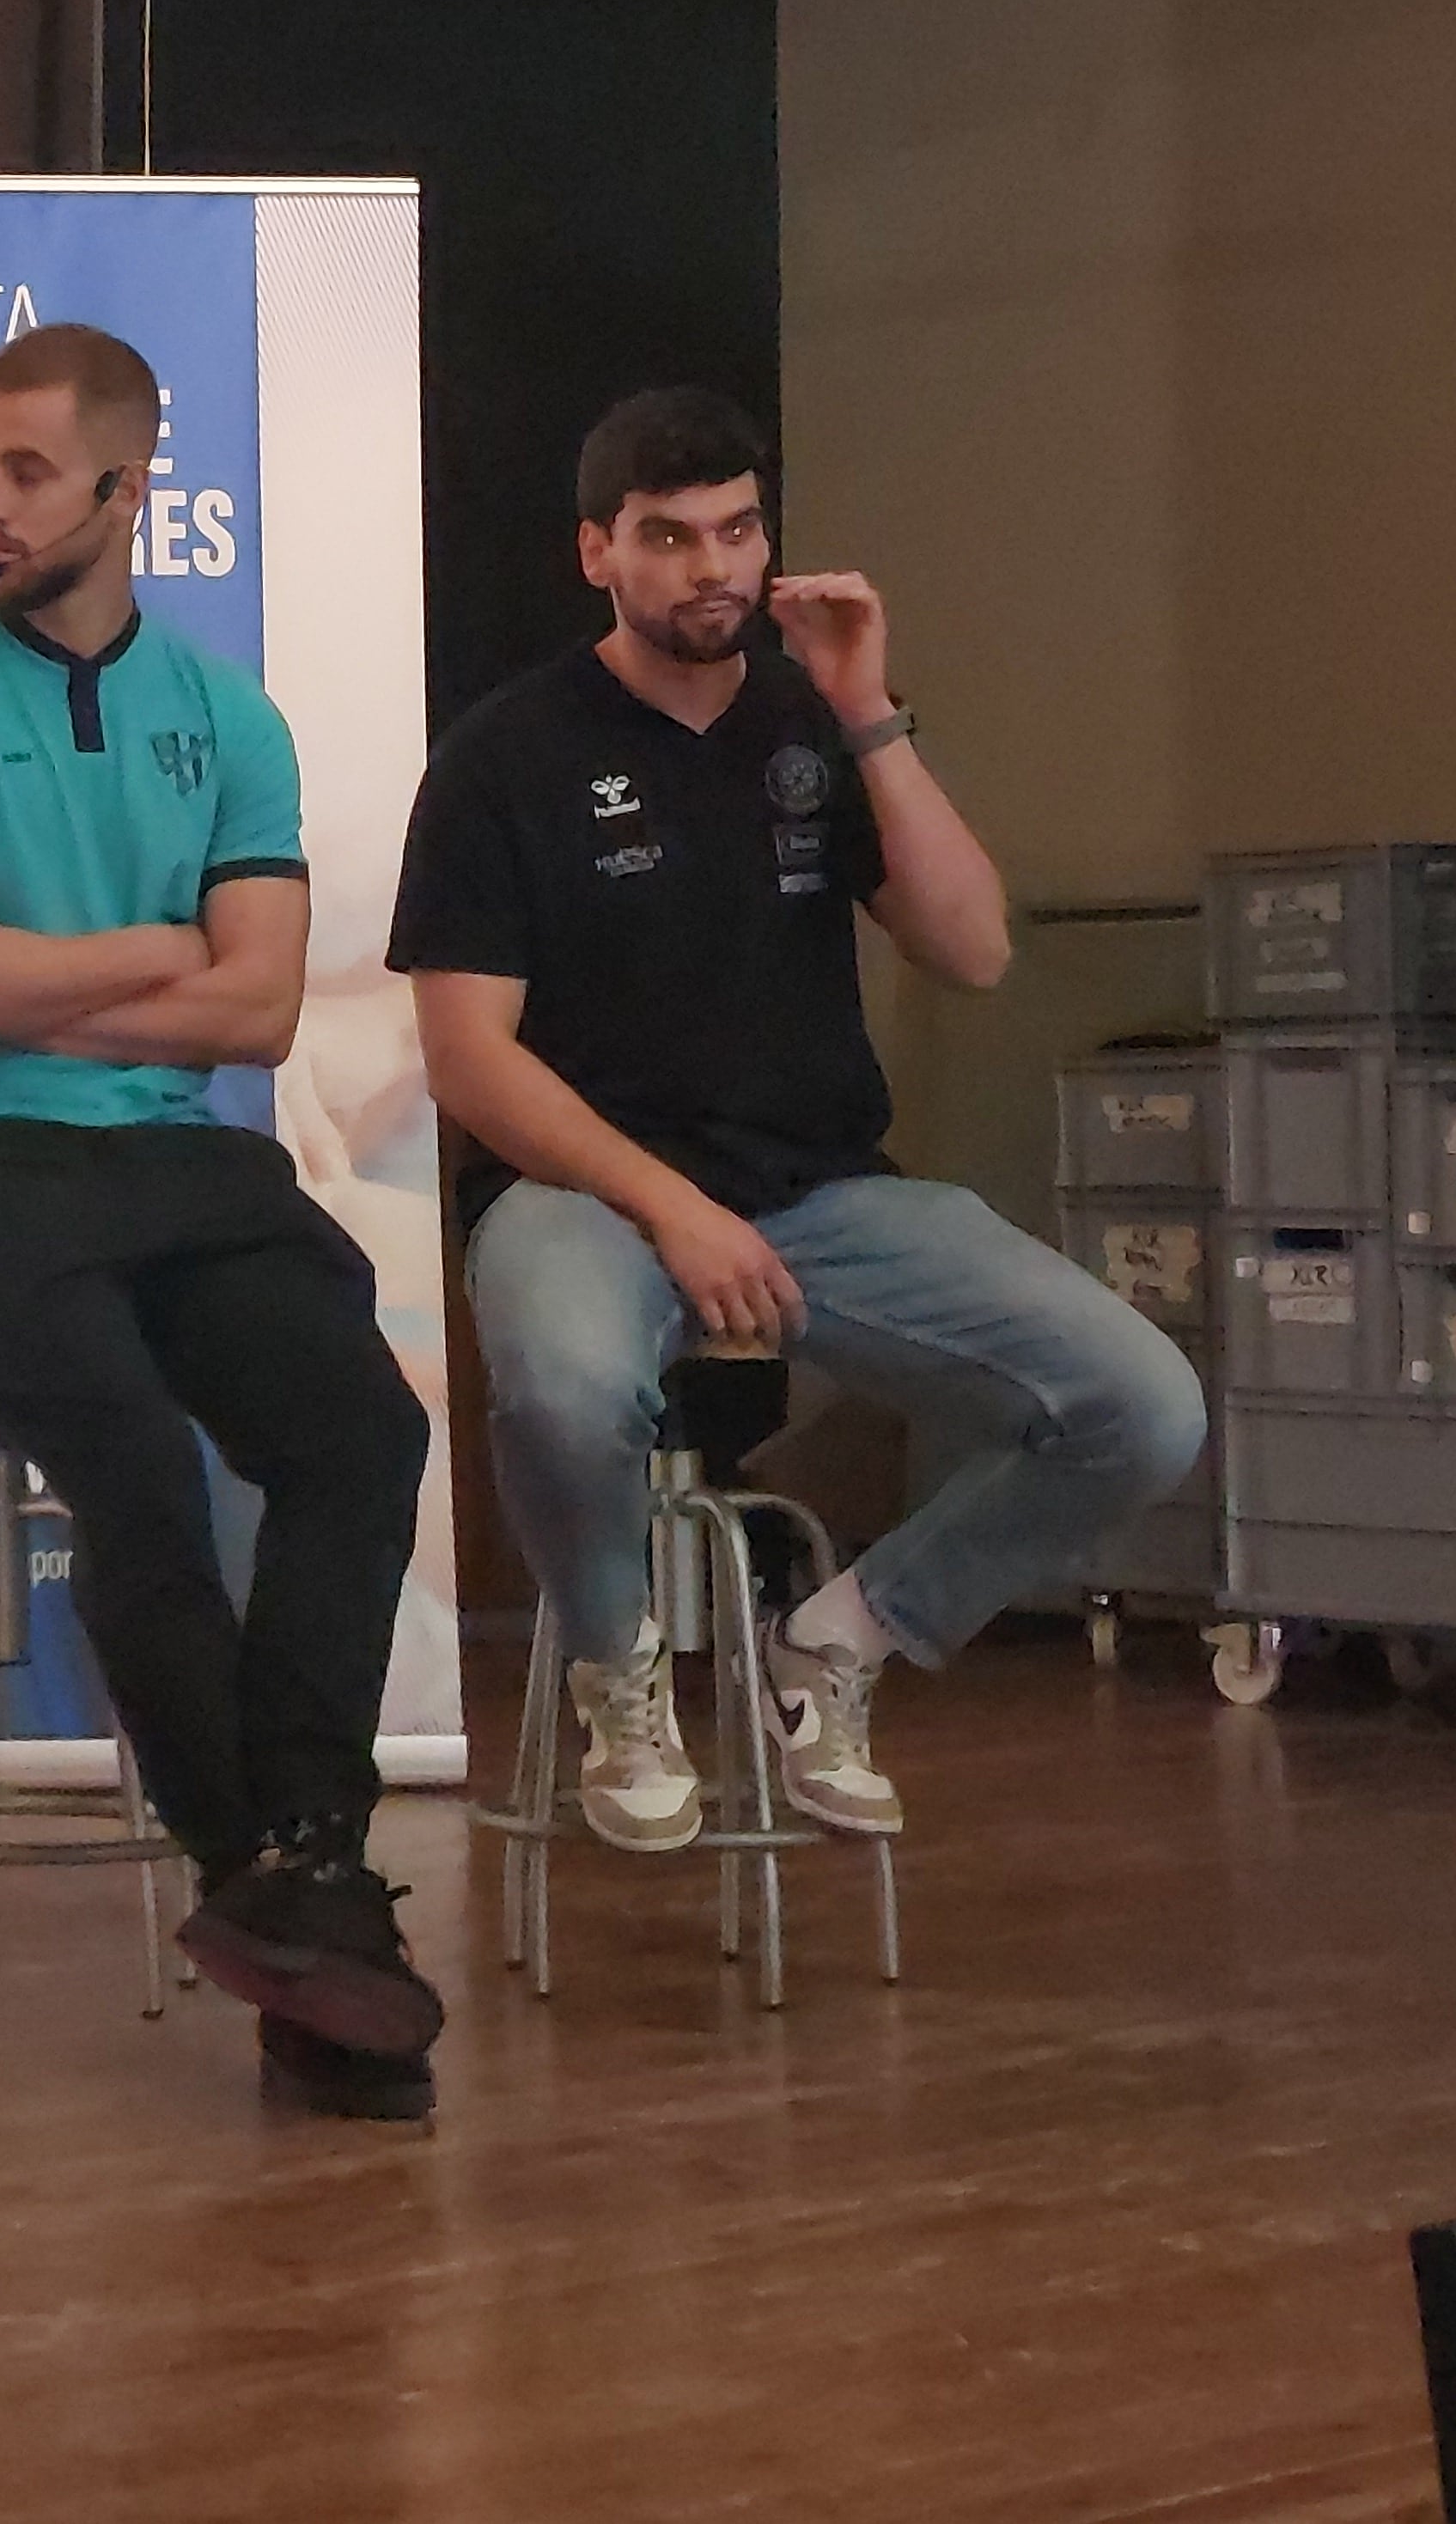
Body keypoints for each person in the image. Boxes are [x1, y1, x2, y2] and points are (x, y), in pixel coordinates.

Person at [387, 386, 1205, 1852]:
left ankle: (840, 1642)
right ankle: (616, 1668)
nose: (712, 569)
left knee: (1144, 1406)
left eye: (739, 532)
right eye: (670, 538)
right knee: (569, 1387)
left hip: (828, 1196)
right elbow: (469, 1060)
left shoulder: (812, 726)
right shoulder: (506, 756)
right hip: (589, 1199)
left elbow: (973, 949)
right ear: (598, 555)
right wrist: (673, 1211)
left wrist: (868, 714)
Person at [0, 321, 442, 2125]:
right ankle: (297, 1898)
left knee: (358, 1428)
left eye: (22, 472)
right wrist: (154, 953)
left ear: (122, 486)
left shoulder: (225, 718)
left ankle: (299, 1872)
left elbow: (257, 1019)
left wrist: (36, 977)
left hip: (175, 1163)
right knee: (137, 1465)